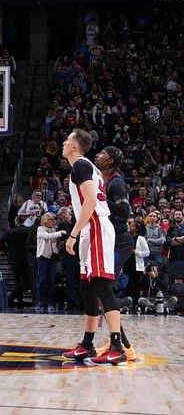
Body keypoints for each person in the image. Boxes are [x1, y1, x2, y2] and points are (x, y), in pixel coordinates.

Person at [61, 129, 125, 366]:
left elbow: (90, 202)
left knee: (102, 287)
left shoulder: (80, 165)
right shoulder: (83, 167)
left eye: (67, 141)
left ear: (75, 147)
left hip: (95, 226)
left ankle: (116, 346)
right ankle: (87, 345)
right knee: (87, 289)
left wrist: (73, 235)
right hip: (90, 228)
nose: (64, 144)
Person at [93, 146, 137, 360]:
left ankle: (121, 345)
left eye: (102, 153)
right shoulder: (104, 179)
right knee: (100, 291)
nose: (97, 155)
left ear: (110, 161)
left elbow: (124, 211)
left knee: (104, 289)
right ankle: (121, 342)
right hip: (109, 241)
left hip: (120, 242)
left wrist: (99, 199)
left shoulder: (117, 182)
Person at [35, 212, 64, 311]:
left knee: (51, 281)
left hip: (53, 258)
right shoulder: (40, 229)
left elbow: (56, 242)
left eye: (54, 220)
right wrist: (60, 233)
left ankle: (51, 302)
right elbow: (47, 237)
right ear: (46, 221)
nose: (54, 221)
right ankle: (40, 302)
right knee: (42, 280)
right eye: (51, 219)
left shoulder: (54, 229)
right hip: (43, 257)